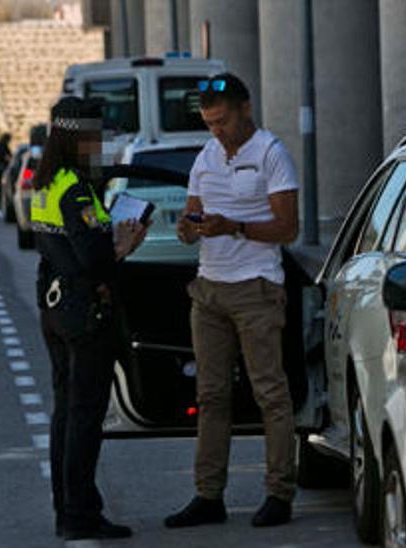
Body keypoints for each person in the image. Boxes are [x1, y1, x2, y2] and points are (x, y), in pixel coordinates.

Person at [165, 72, 301, 529]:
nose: (216, 130)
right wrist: (188, 227)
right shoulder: (206, 155)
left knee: (269, 392)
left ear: (245, 110)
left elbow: (288, 228)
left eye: (222, 120)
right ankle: (208, 495)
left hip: (256, 287)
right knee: (210, 394)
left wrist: (235, 227)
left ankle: (279, 493)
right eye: (209, 123)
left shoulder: (271, 154)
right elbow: (191, 211)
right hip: (209, 287)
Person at [29, 97, 148, 540]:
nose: (99, 145)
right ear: (81, 137)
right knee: (85, 417)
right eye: (95, 136)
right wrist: (124, 245)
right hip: (85, 312)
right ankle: (79, 512)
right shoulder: (77, 189)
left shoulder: (47, 182)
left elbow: (56, 249)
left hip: (55, 307)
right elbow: (94, 257)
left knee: (66, 412)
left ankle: (68, 507)